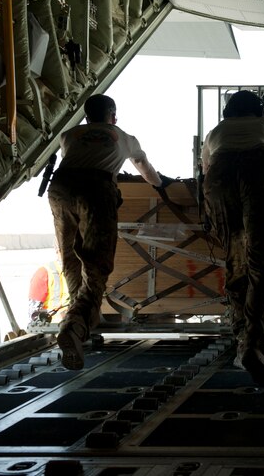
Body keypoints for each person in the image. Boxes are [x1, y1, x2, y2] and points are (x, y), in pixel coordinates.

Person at [48, 93, 169, 370]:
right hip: (96, 190)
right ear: (113, 116)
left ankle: (81, 324)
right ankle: (75, 327)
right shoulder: (125, 137)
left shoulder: (68, 135)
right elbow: (144, 168)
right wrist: (160, 183)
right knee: (96, 263)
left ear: (87, 117)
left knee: (70, 256)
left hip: (60, 188)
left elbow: (77, 160)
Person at [201, 90, 264, 386]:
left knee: (235, 260)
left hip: (220, 174)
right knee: (263, 262)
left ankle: (242, 340)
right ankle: (255, 342)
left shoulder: (216, 132)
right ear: (259, 109)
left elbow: (205, 169)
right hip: (259, 169)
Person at [28, 243, 70, 324]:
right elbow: (34, 317)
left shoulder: (83, 273)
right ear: (57, 250)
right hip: (52, 328)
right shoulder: (44, 273)